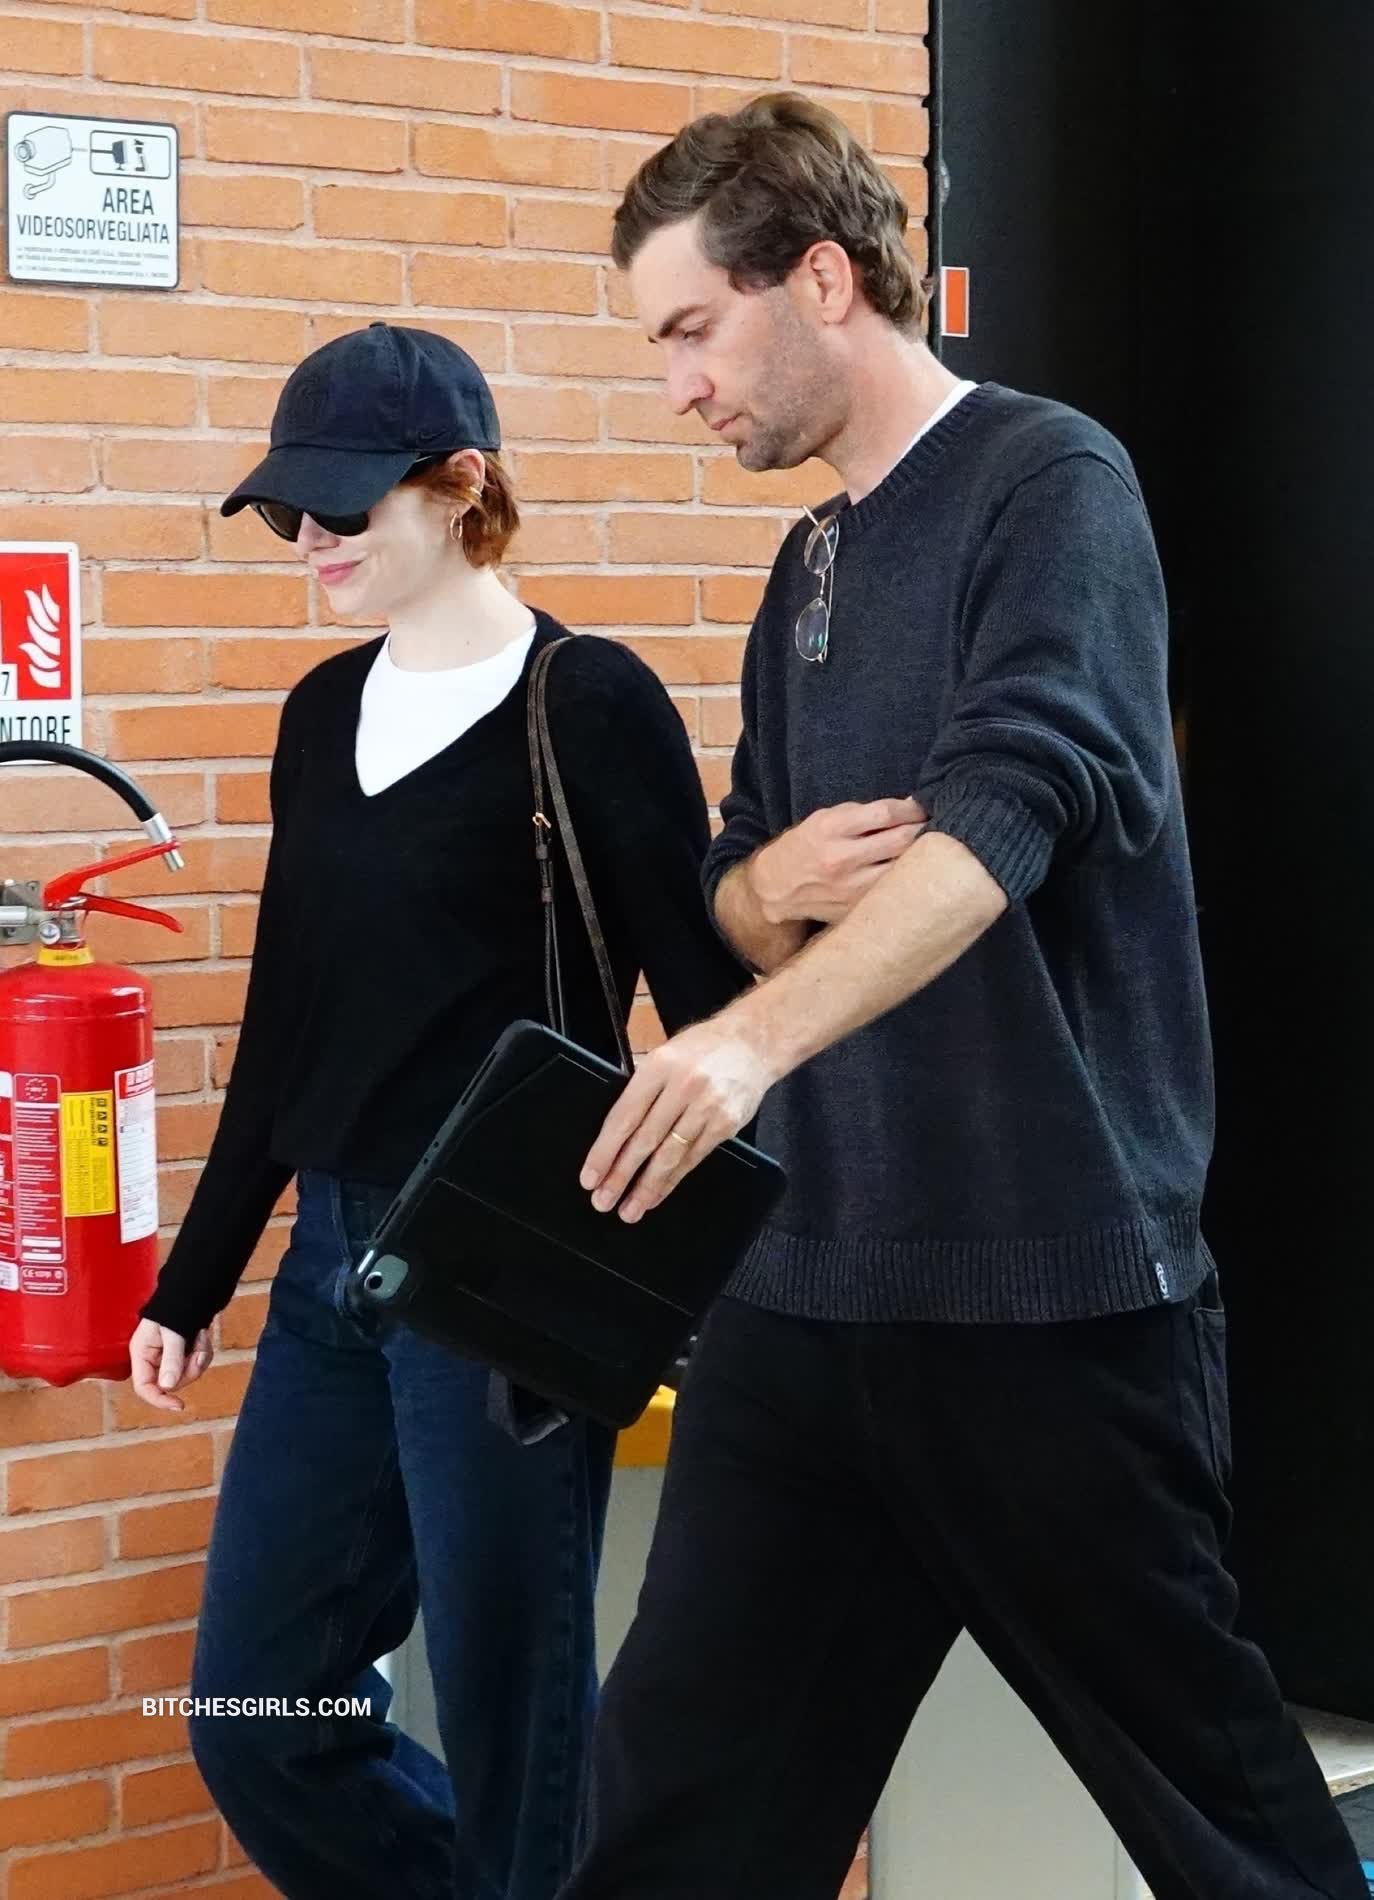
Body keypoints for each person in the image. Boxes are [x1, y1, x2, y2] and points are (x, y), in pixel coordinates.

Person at [557, 95, 1368, 1900]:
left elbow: (1010, 811)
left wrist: (749, 1038)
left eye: (690, 331)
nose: (675, 388)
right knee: (671, 1824)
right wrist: (766, 893)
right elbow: (737, 879)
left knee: (1228, 1833)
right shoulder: (808, 561)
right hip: (802, 1297)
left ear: (819, 280)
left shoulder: (1048, 484)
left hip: (1042, 1308)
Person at [127, 321, 748, 1900]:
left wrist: (739, 1284)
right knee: (258, 1713)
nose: (309, 542)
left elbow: (711, 1014)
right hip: (331, 1270)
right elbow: (286, 1021)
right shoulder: (318, 714)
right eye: (286, 512)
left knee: (511, 1720)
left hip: (503, 1275)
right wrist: (194, 1282)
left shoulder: (586, 702)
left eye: (341, 506)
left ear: (462, 483)